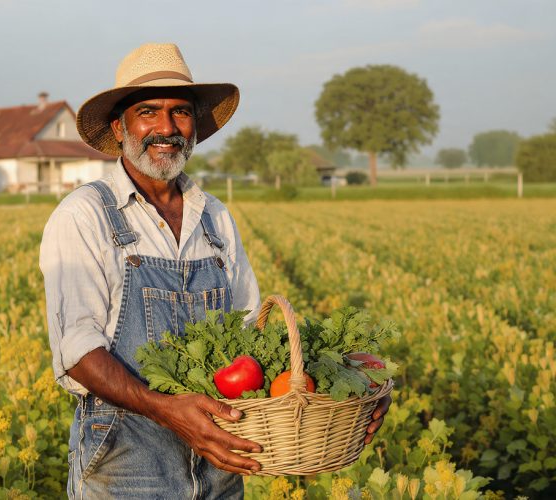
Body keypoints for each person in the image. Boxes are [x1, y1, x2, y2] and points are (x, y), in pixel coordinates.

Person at [39, 43, 390, 499]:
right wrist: (167, 410)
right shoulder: (85, 214)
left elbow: (252, 340)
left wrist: (355, 388)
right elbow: (77, 350)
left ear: (195, 128)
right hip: (126, 460)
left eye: (180, 112)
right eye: (148, 112)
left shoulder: (215, 218)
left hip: (219, 462)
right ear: (118, 125)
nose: (165, 128)